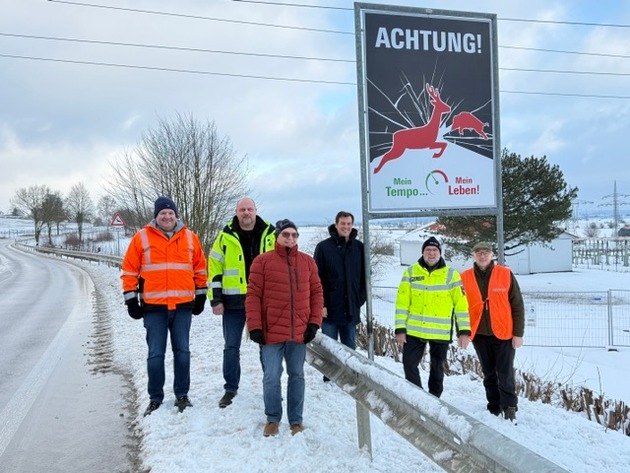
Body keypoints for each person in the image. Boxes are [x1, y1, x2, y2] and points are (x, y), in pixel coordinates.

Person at [121, 196, 208, 417]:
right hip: (154, 308)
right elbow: (129, 270)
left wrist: (201, 296)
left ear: (176, 215)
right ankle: (155, 398)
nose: (167, 217)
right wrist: (131, 299)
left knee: (183, 353)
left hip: (183, 307)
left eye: (170, 213)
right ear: (156, 216)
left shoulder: (190, 238)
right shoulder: (141, 238)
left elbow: (200, 269)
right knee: (155, 354)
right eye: (163, 213)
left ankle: (182, 395)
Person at [245, 219, 323, 437]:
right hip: (270, 333)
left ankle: (296, 420)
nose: (290, 238)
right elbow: (252, 295)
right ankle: (272, 417)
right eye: (286, 235)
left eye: (294, 235)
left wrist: (314, 323)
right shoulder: (262, 262)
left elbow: (317, 293)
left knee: (297, 375)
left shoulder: (307, 262)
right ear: (277, 237)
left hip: (299, 333)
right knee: (271, 376)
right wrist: (255, 326)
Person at [208, 197, 276, 408]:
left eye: (249, 209)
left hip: (264, 301)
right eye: (242, 209)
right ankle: (230, 388)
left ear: (256, 210)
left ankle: (270, 387)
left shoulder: (271, 234)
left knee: (267, 345)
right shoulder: (224, 237)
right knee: (231, 347)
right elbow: (214, 269)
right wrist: (215, 300)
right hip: (232, 302)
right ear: (236, 212)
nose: (246, 213)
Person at [394, 236, 470, 398]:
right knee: (409, 364)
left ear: (440, 253)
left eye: (435, 250)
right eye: (428, 250)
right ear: (422, 252)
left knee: (437, 367)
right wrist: (400, 328)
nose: (431, 253)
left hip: (439, 332)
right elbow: (402, 302)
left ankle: (435, 398)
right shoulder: (411, 272)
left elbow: (461, 305)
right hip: (415, 330)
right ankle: (418, 397)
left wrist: (463, 331)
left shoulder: (451, 275)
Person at [460, 241, 525, 422]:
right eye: (479, 252)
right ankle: (493, 405)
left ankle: (510, 406)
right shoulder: (464, 277)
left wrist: (518, 333)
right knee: (489, 373)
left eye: (486, 252)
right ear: (473, 255)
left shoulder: (505, 274)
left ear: (492, 254)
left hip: (504, 332)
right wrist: (462, 332)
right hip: (479, 334)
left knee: (504, 373)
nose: (482, 256)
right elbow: (459, 308)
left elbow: (517, 304)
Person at [313, 211, 366, 381]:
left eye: (349, 224)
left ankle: (349, 376)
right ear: (336, 225)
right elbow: (316, 278)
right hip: (330, 308)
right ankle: (329, 376)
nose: (346, 227)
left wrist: (360, 298)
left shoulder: (359, 248)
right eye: (343, 223)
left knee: (349, 346)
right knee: (329, 345)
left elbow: (365, 277)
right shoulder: (323, 247)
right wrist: (321, 305)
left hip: (351, 307)